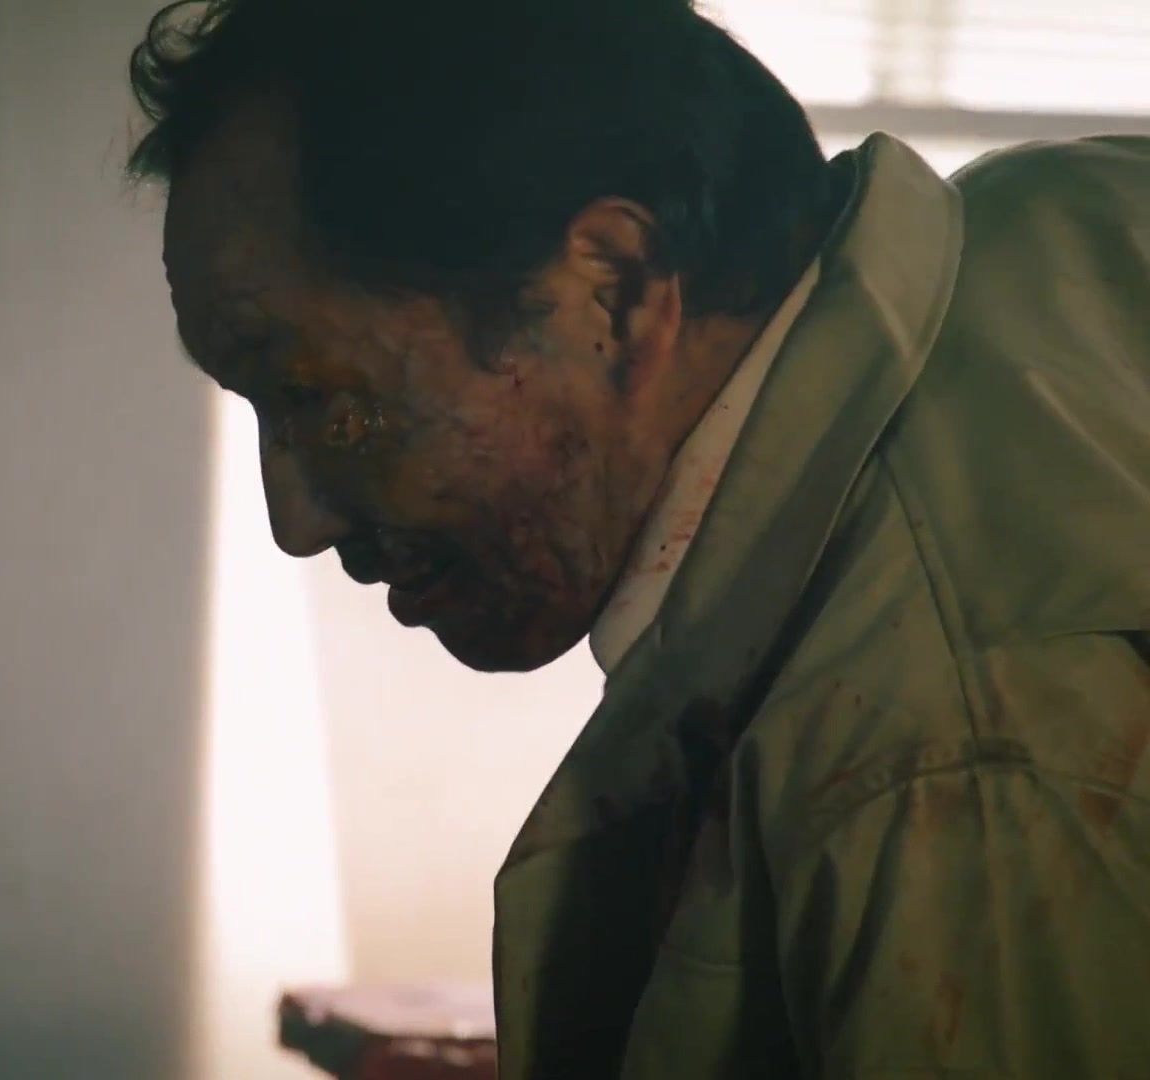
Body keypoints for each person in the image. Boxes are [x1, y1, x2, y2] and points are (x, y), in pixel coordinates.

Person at [122, 0, 1150, 1076]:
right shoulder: (1063, 223)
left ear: (609, 292)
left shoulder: (932, 773)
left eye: (318, 399)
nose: (297, 523)